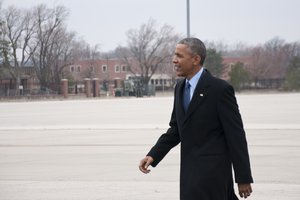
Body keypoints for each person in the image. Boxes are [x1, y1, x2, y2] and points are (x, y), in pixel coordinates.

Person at [139, 37, 253, 200]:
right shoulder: (179, 88)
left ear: (195, 59)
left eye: (179, 56)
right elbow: (176, 129)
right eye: (174, 55)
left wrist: (243, 178)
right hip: (189, 176)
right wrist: (154, 154)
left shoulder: (219, 90)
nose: (174, 60)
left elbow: (236, 137)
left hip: (214, 176)